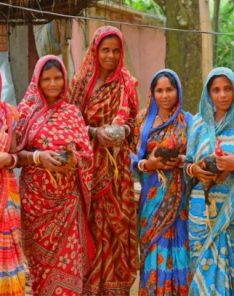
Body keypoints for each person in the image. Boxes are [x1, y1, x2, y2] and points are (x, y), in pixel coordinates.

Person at [15, 55, 94, 295]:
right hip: (36, 206)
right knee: (41, 268)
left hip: (68, 205)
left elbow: (87, 155)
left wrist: (73, 159)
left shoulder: (72, 113)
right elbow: (14, 154)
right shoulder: (25, 113)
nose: (52, 84)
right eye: (46, 79)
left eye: (57, 78)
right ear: (37, 82)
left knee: (70, 265)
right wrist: (39, 158)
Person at [70, 26, 138, 295]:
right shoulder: (80, 83)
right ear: (95, 51)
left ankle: (115, 287)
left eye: (116, 51)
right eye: (105, 50)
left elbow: (134, 123)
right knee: (91, 229)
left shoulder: (127, 83)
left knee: (114, 231)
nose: (110, 56)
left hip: (117, 171)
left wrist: (125, 131)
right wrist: (94, 132)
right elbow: (70, 124)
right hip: (87, 171)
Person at [185, 67, 234, 295]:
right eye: (216, 90)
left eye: (228, 88)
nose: (222, 95)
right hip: (201, 210)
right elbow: (187, 164)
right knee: (203, 269)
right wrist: (197, 170)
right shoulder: (199, 124)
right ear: (208, 93)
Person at [131, 69, 193, 295]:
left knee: (179, 251)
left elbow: (197, 158)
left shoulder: (188, 122)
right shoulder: (143, 121)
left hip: (180, 202)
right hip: (151, 201)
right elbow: (130, 157)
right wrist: (149, 165)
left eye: (170, 89)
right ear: (153, 93)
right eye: (160, 90)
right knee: (153, 250)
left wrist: (181, 160)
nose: (165, 95)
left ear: (178, 91)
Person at [0, 74, 25, 295]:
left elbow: (18, 153)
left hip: (6, 190)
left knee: (8, 244)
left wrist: (9, 159)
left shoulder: (10, 114)